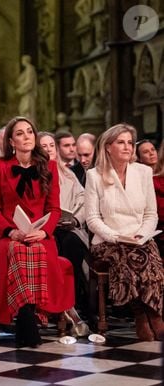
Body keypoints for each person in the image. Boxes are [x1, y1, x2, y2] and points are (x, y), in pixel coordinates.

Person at [0, 116, 74, 348]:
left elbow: (54, 209)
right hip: (8, 235)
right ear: (11, 141)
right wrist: (10, 231)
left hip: (40, 234)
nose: (27, 137)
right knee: (17, 249)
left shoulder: (50, 167)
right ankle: (27, 316)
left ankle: (27, 316)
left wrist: (44, 232)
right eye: (20, 133)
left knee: (35, 249)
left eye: (30, 132)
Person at [85, 123, 163, 341]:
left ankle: (155, 314)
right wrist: (116, 236)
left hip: (140, 237)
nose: (128, 147)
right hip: (109, 240)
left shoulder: (144, 172)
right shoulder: (95, 175)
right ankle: (140, 314)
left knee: (151, 258)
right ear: (108, 147)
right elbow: (92, 218)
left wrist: (141, 234)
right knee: (127, 257)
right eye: (121, 142)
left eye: (130, 142)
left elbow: (151, 214)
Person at [38, 132, 90, 335]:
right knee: (51, 246)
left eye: (51, 145)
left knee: (72, 244)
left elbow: (84, 201)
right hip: (43, 229)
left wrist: (74, 219)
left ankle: (71, 302)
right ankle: (64, 308)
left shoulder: (69, 175)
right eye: (44, 145)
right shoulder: (32, 174)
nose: (49, 149)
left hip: (68, 227)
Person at [16, 55, 37, 122]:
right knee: (23, 110)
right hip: (25, 94)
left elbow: (29, 83)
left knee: (27, 111)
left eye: (22, 60)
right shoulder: (27, 70)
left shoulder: (30, 69)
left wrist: (19, 90)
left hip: (28, 94)